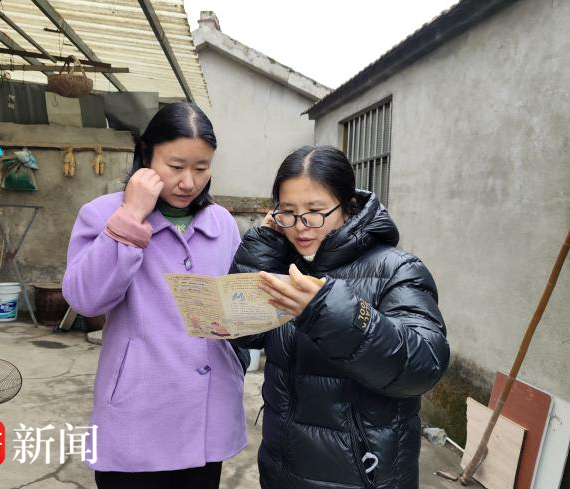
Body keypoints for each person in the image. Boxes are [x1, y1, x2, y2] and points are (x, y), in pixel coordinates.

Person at [230, 145, 450, 489]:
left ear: (348, 206)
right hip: (281, 469)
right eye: (288, 212)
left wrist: (330, 312)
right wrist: (264, 244)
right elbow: (244, 333)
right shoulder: (288, 264)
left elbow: (424, 365)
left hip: (362, 475)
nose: (301, 226)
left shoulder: (396, 269)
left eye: (315, 212)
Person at [63, 102, 248, 489]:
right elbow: (85, 299)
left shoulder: (222, 223)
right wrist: (130, 219)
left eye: (201, 168)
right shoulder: (103, 214)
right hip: (137, 412)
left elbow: (233, 302)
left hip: (207, 416)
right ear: (146, 156)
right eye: (175, 166)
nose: (188, 182)